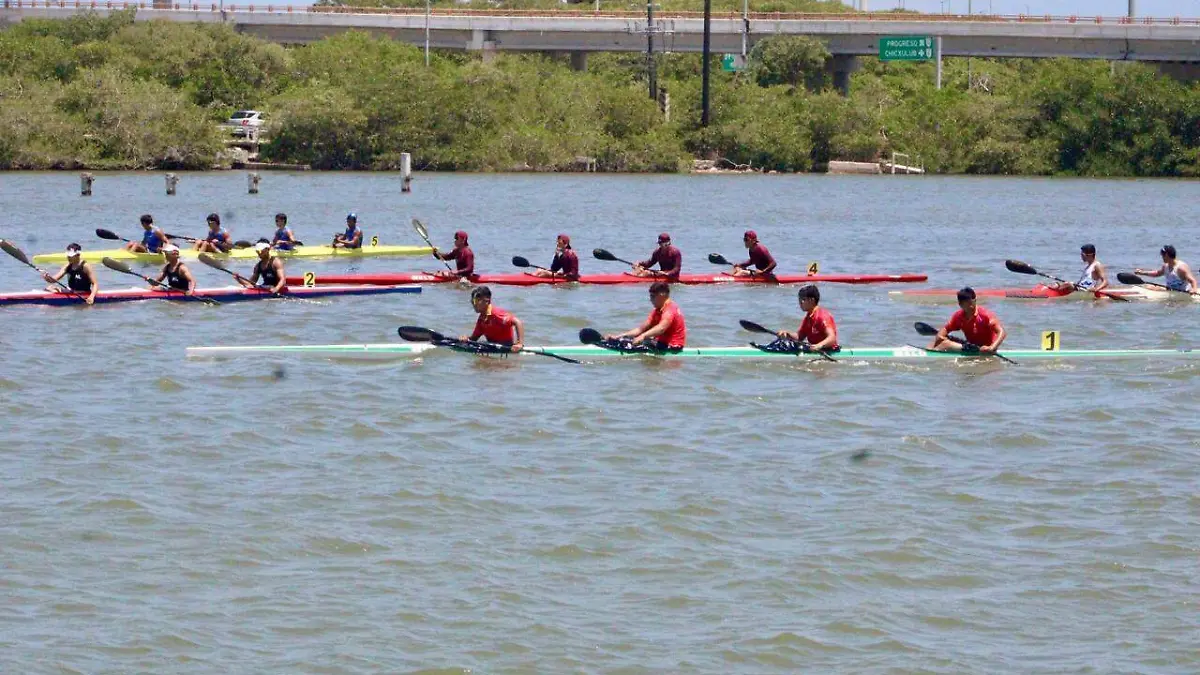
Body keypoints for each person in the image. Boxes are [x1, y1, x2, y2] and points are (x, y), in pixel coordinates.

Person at [606, 281, 686, 350]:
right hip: (661, 343)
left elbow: (661, 328)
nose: (650, 299)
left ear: (662, 294)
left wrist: (643, 336)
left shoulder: (670, 309)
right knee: (625, 339)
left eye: (653, 296)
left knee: (628, 344)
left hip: (673, 346)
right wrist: (618, 336)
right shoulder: (657, 310)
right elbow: (640, 329)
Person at [929, 287, 1007, 353]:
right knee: (934, 343)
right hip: (971, 346)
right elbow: (946, 328)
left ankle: (936, 352)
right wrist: (940, 336)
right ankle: (930, 353)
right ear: (960, 304)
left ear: (975, 299)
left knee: (945, 344)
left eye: (972, 302)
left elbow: (1002, 332)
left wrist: (992, 347)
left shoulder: (985, 315)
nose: (971, 306)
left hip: (985, 349)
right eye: (967, 304)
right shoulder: (959, 316)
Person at [775, 284, 839, 352]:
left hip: (829, 350)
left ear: (812, 300)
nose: (800, 302)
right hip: (815, 349)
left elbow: (832, 338)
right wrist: (787, 334)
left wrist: (819, 346)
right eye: (799, 299)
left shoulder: (822, 316)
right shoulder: (809, 317)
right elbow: (799, 337)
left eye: (803, 299)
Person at [461, 286, 524, 352]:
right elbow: (474, 339)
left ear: (487, 301)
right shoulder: (481, 319)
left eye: (476, 301)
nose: (474, 304)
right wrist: (465, 339)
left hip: (506, 347)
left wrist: (519, 343)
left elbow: (517, 322)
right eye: (472, 301)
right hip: (492, 347)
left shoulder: (496, 314)